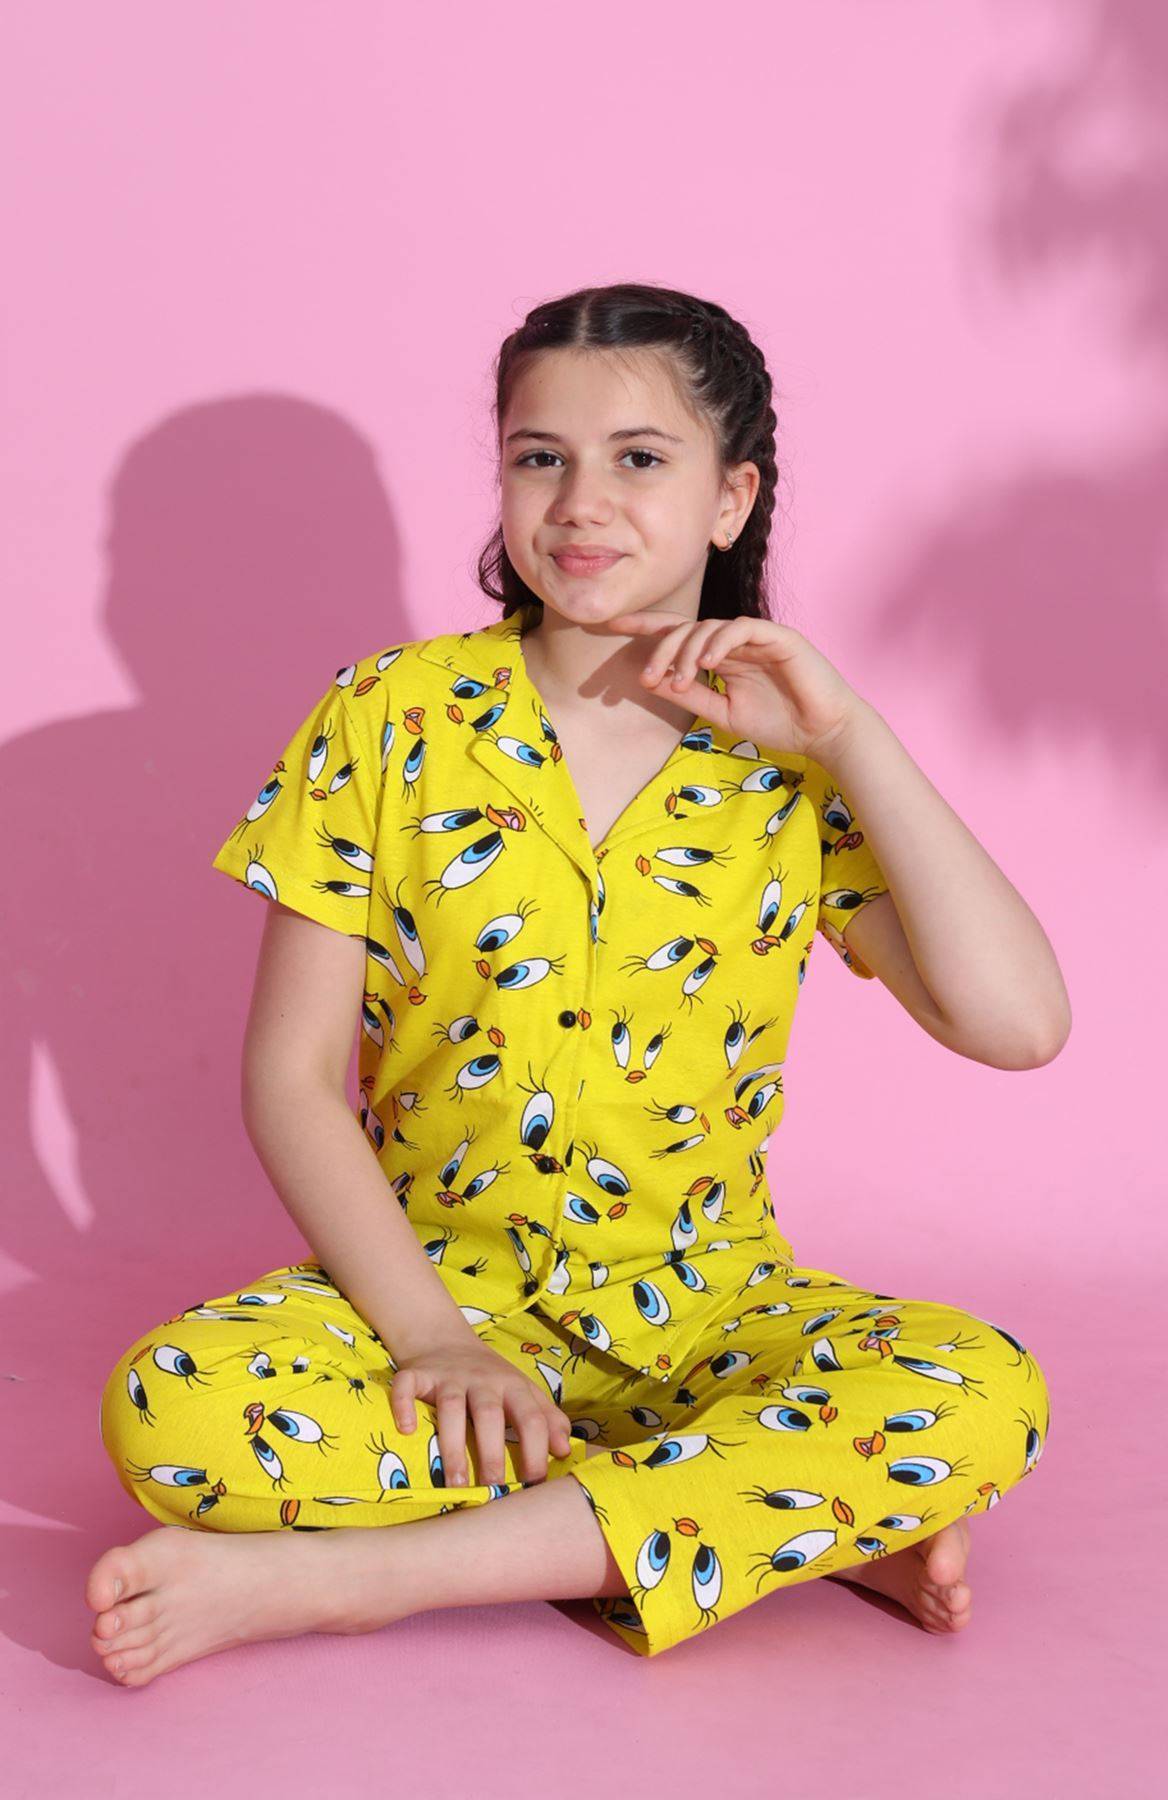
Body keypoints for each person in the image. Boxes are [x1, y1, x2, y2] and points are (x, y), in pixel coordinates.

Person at [87, 282, 1065, 1687]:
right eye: (539, 456)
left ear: (732, 499)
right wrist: (435, 1341)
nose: (580, 503)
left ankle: (358, 1581)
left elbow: (1019, 1025)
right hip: (430, 1292)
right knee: (172, 1415)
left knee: (980, 1391)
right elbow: (290, 1080)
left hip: (710, 1312)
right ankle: (770, 1521)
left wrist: (852, 737)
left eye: (639, 458)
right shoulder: (388, 717)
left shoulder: (789, 759)